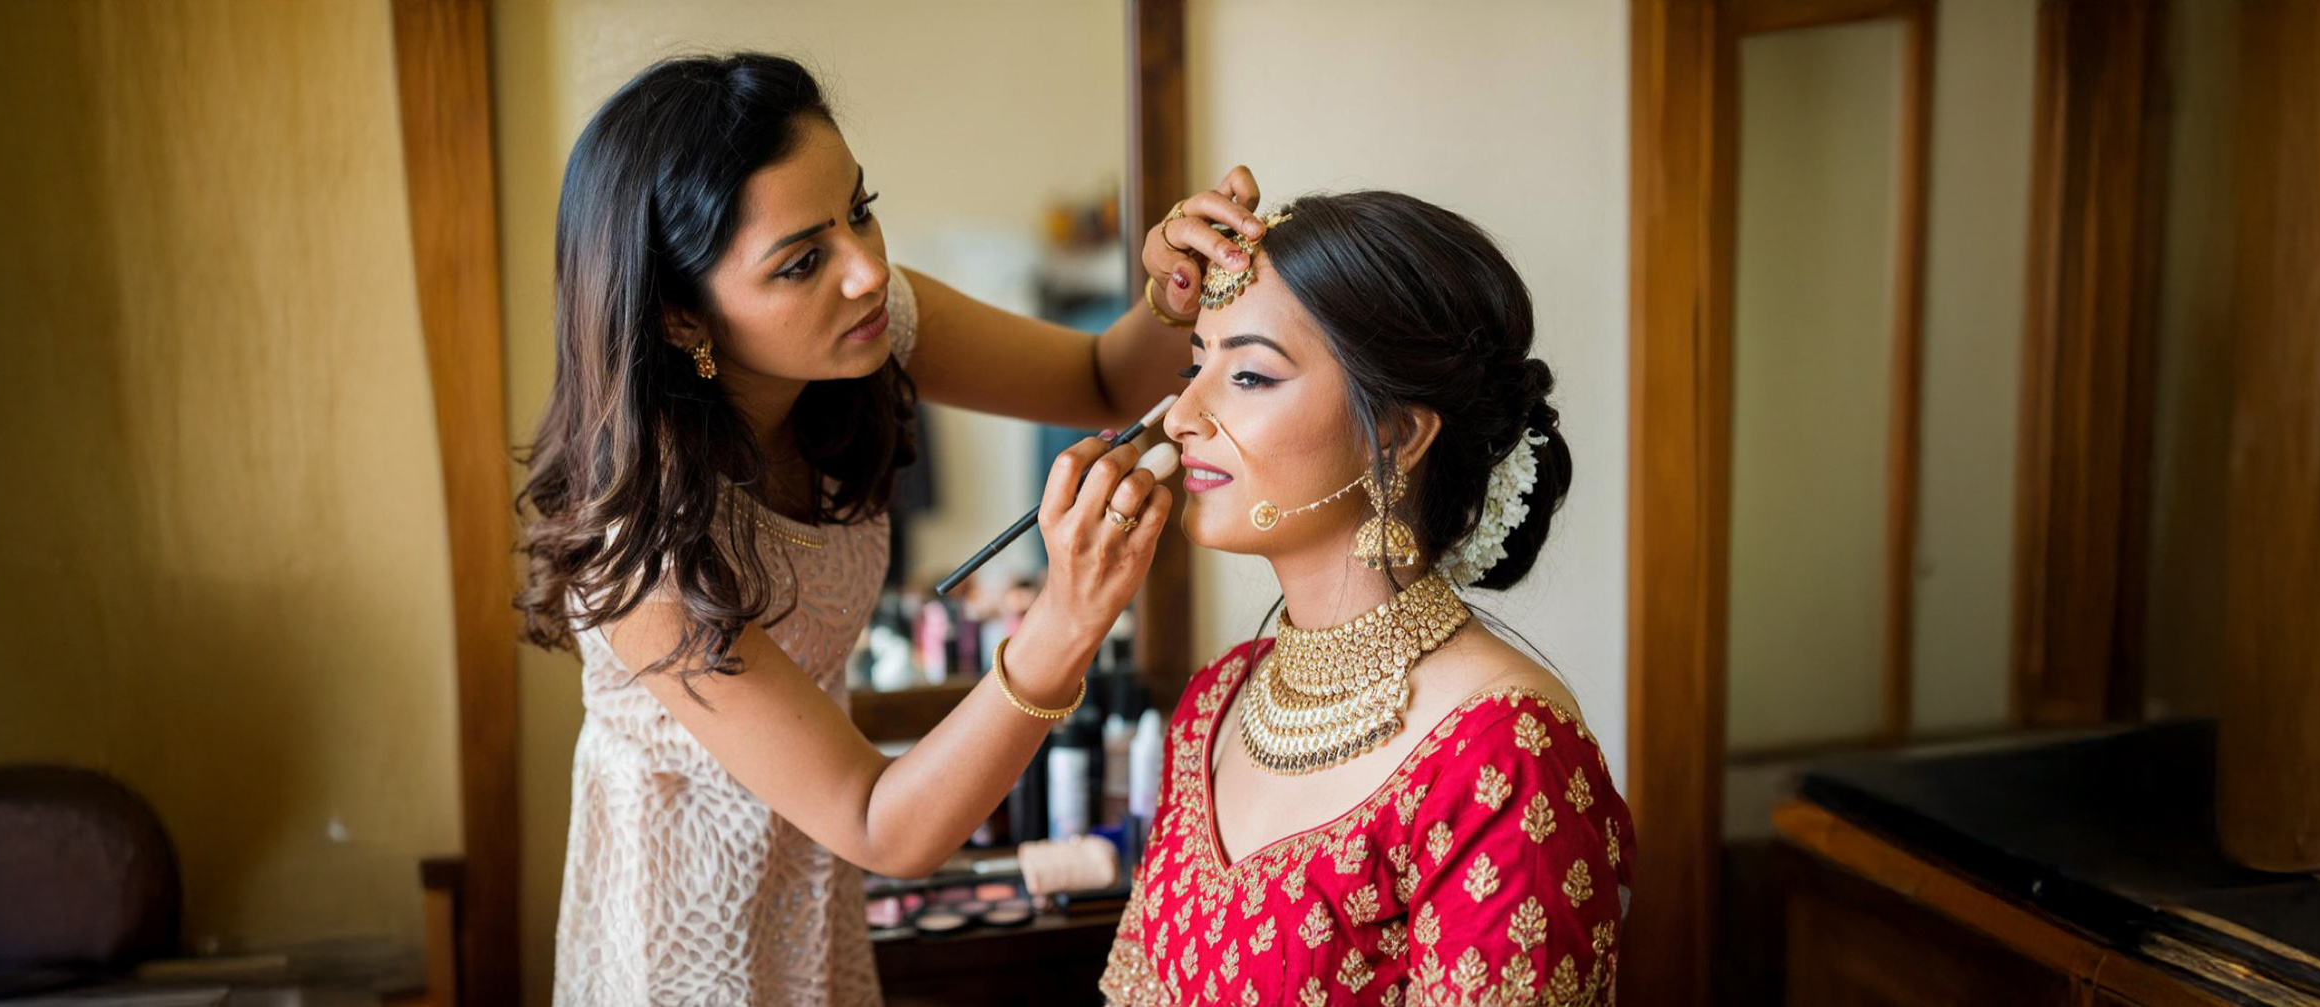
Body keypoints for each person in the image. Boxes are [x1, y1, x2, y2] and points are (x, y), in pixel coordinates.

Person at [512, 53, 1264, 1006]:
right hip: (679, 939)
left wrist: (1173, 287)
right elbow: (884, 824)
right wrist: (1068, 617)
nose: (868, 271)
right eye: (801, 262)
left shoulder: (869, 317)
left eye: (858, 209)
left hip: (818, 890)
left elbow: (1105, 383)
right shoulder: (646, 554)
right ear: (675, 315)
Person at [1099, 191, 1633, 1007]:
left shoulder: (1505, 755)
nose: (1182, 417)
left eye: (1247, 373)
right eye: (1192, 366)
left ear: (1398, 433)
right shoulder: (1215, 704)